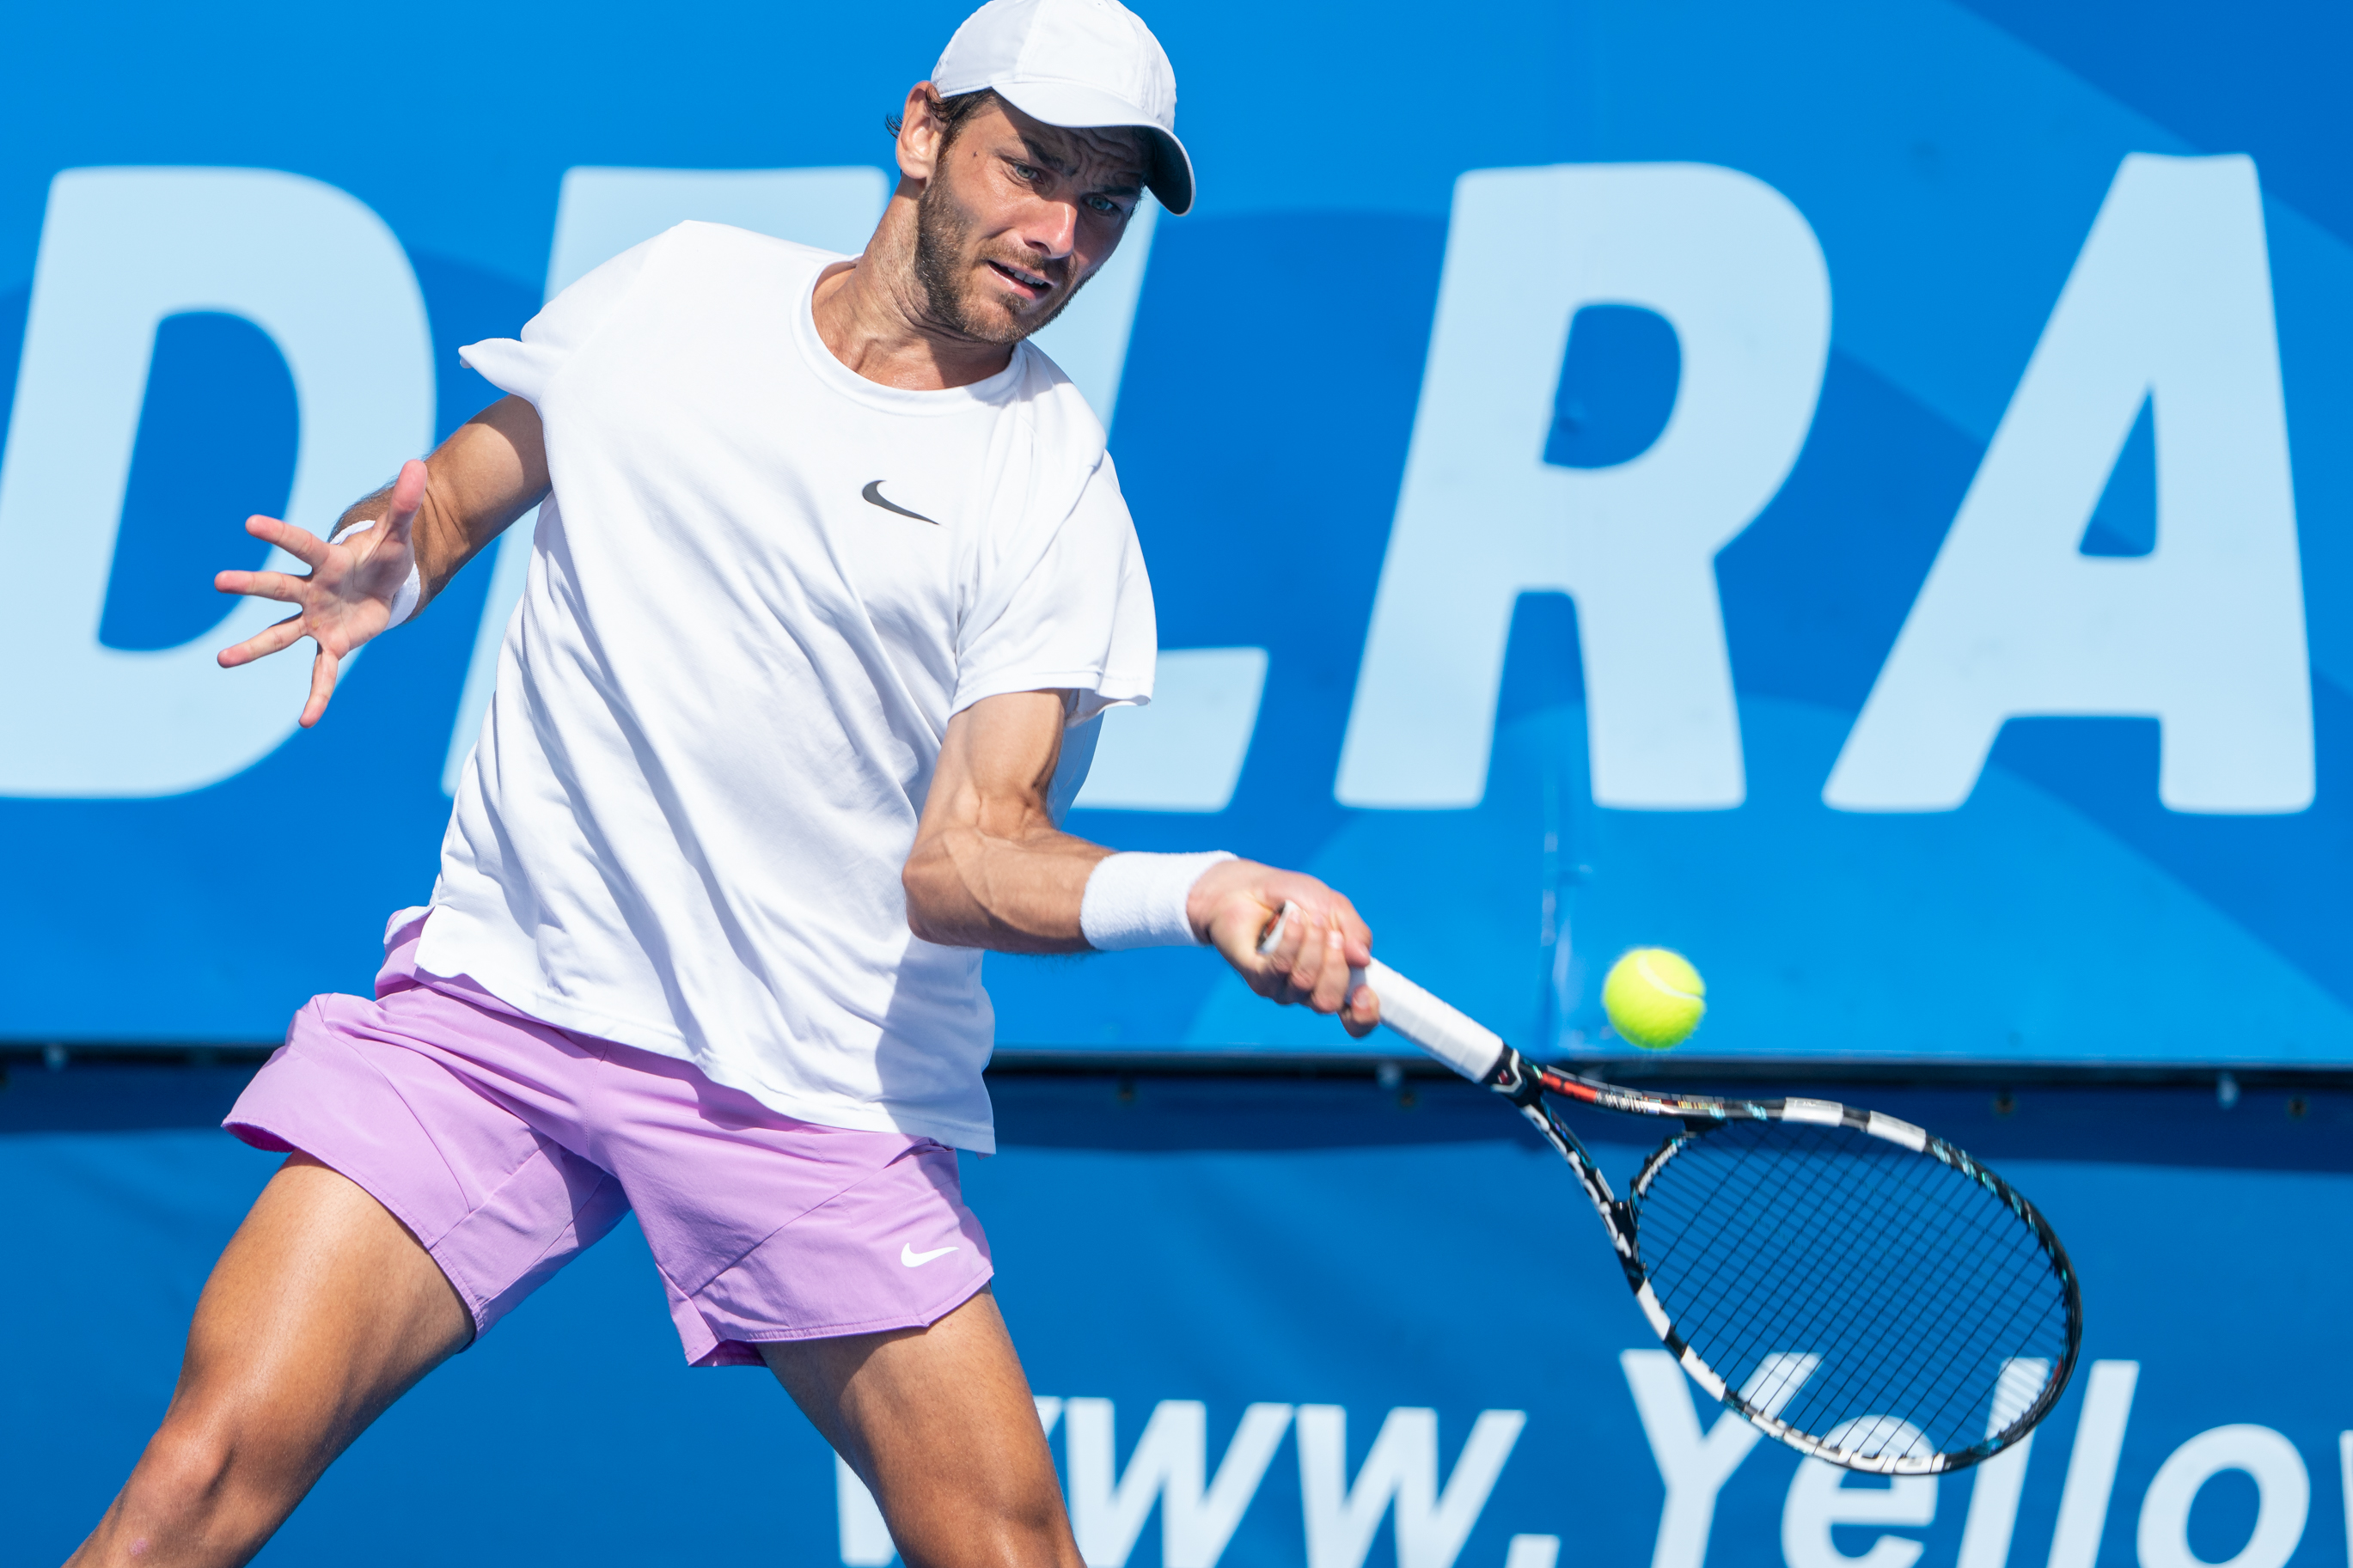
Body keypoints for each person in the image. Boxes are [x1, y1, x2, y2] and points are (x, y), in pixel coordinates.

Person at [67, 1, 1382, 1564]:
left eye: (1101, 207)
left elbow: (966, 860)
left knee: (1008, 1548)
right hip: (504, 1009)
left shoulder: (1049, 486)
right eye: (1031, 170)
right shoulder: (676, 290)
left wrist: (1204, 889)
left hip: (808, 1084)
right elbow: (462, 489)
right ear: (921, 132)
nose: (1057, 235)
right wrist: (390, 564)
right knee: (202, 1466)